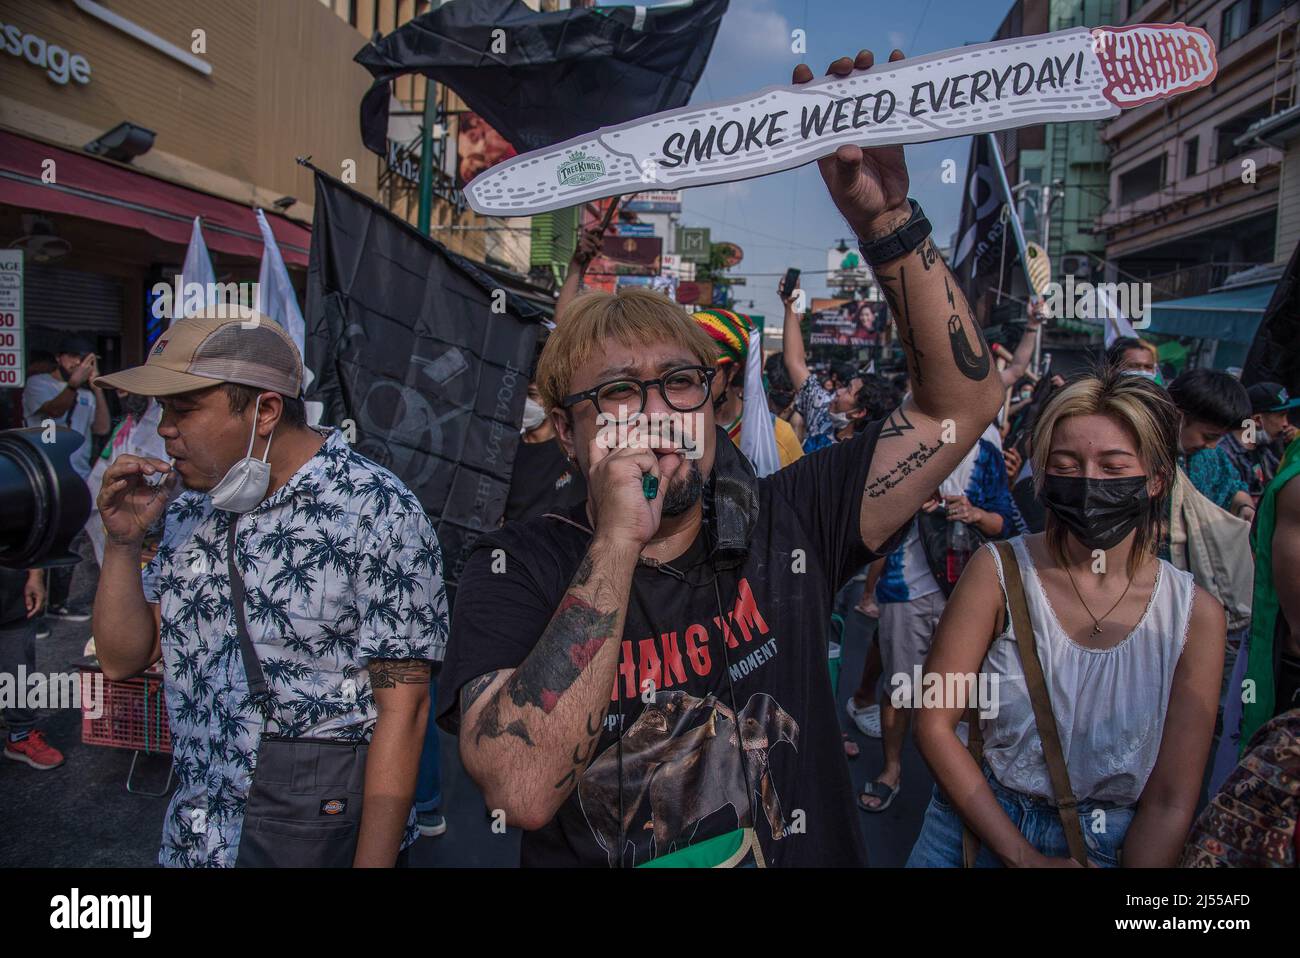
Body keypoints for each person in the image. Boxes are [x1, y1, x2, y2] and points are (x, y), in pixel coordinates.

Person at [435, 46, 1005, 868]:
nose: (658, 412)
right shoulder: (514, 569)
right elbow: (522, 788)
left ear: (715, 402)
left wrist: (886, 221)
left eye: (679, 382)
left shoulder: (792, 518)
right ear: (565, 433)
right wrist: (618, 542)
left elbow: (962, 406)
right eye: (619, 395)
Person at [90, 309, 447, 867]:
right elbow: (121, 658)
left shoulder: (376, 511)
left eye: (185, 408)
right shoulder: (188, 507)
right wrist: (122, 544)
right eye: (163, 409)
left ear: (266, 410)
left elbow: (405, 709)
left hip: (314, 841)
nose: (164, 428)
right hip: (196, 841)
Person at [907, 369, 1224, 867]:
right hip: (972, 829)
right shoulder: (996, 573)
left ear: (1157, 478)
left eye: (1114, 468)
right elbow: (934, 722)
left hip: (1108, 843)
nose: (1088, 482)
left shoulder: (1194, 616)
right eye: (1066, 465)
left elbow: (1170, 799)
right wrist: (1023, 857)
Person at [859, 419, 1015, 812]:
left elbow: (1002, 522)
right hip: (905, 586)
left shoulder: (987, 456)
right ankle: (892, 769)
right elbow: (870, 512)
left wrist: (973, 513)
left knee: (968, 690)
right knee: (900, 685)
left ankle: (963, 778)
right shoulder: (906, 448)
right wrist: (911, 498)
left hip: (967, 594)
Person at [22, 335, 110, 624]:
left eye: (85, 359)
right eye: (73, 357)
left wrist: (95, 387)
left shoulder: (84, 392)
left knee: (68, 542)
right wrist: (73, 384)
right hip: (44, 474)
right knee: (42, 537)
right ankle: (34, 610)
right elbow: (54, 411)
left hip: (78, 477)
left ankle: (58, 604)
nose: (78, 364)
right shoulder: (38, 384)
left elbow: (102, 427)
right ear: (60, 358)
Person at [692, 306, 803, 469]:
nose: (695, 380)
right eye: (684, 374)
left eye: (706, 371)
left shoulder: (777, 435)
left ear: (732, 371)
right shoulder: (671, 430)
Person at [1167, 368, 1255, 522]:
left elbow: (1234, 488)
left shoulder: (1212, 457)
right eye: (1209, 436)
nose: (1212, 445)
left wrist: (1243, 506)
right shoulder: (1140, 455)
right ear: (1177, 417)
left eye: (1220, 437)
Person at [0, 566, 62, 770]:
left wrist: (36, 575)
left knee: (19, 667)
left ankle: (21, 735)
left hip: (12, 589)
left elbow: (29, 538)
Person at [503, 379, 587, 522]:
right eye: (521, 395)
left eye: (532, 395)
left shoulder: (573, 448)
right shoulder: (506, 452)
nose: (525, 403)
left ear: (550, 401)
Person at [1220, 382, 1299, 502]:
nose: (1286, 424)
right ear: (1257, 420)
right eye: (1281, 416)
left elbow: (1283, 482)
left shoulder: (1262, 448)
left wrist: (1295, 447)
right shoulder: (1225, 454)